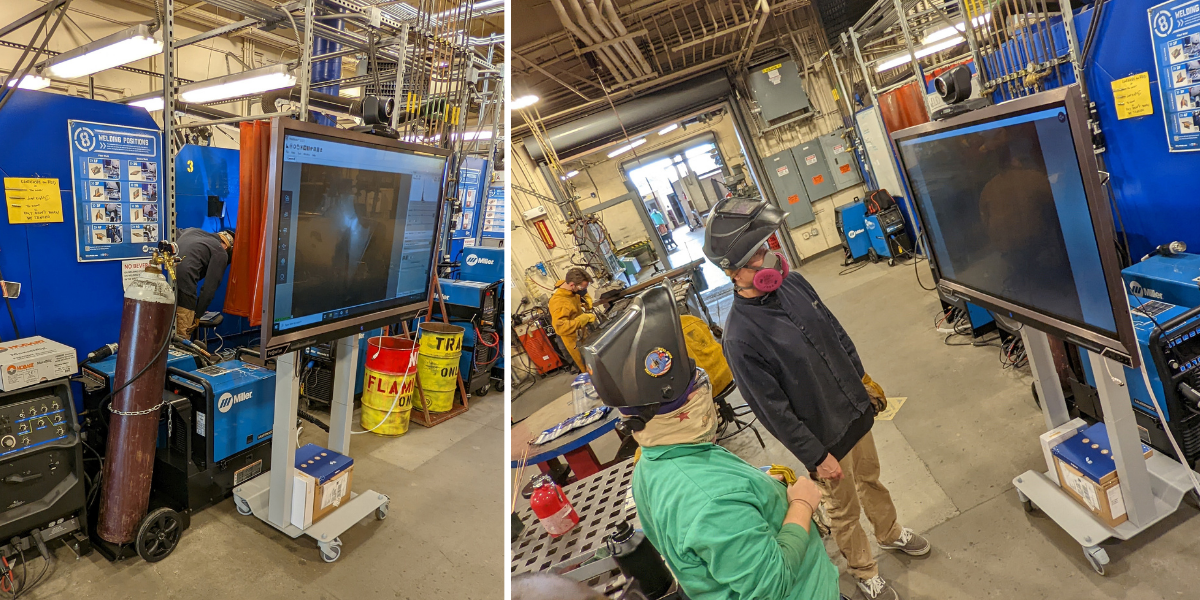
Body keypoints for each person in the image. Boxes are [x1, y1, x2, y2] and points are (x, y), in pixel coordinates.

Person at [703, 198, 929, 600]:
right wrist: (814, 454)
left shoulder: (793, 283)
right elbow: (771, 410)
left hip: (853, 408)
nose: (770, 256)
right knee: (842, 509)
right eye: (758, 254)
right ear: (735, 272)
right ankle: (864, 568)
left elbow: (835, 331)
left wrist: (861, 379)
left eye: (766, 246)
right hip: (823, 437)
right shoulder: (739, 337)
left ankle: (890, 532)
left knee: (872, 479)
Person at [173, 228, 234, 340]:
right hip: (185, 286)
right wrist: (197, 316)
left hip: (166, 278)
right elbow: (208, 290)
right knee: (182, 337)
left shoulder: (191, 231)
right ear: (226, 246)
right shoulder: (221, 252)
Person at [548, 267, 595, 372]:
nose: (582, 291)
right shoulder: (559, 302)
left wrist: (583, 301)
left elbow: (572, 306)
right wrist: (583, 319)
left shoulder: (568, 288)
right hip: (574, 343)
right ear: (572, 285)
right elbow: (560, 327)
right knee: (589, 371)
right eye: (581, 288)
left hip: (582, 335)